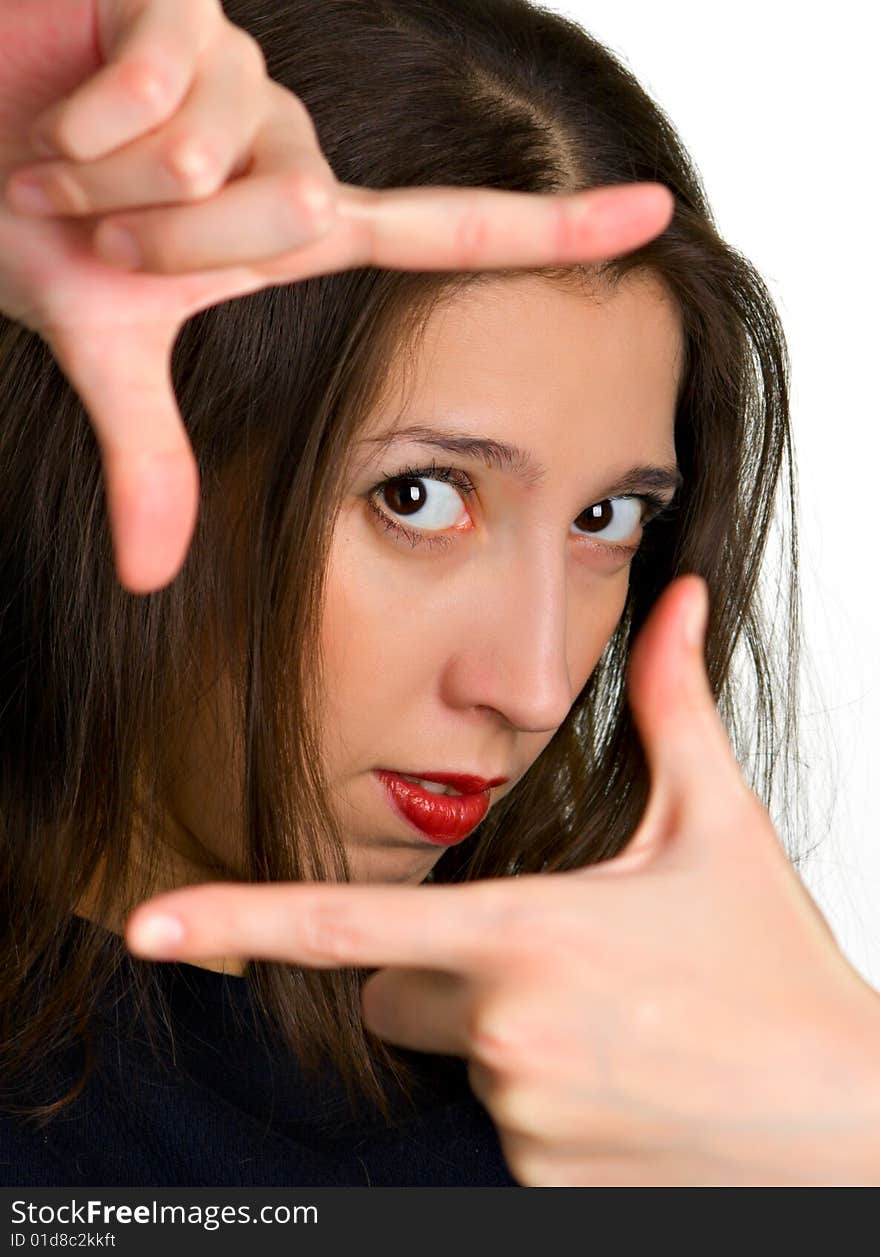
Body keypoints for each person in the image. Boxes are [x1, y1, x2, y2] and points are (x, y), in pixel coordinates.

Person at [1, 0, 878, 1189]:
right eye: (419, 497)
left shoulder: (657, 1111)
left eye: (606, 521)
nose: (529, 685)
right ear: (121, 445)